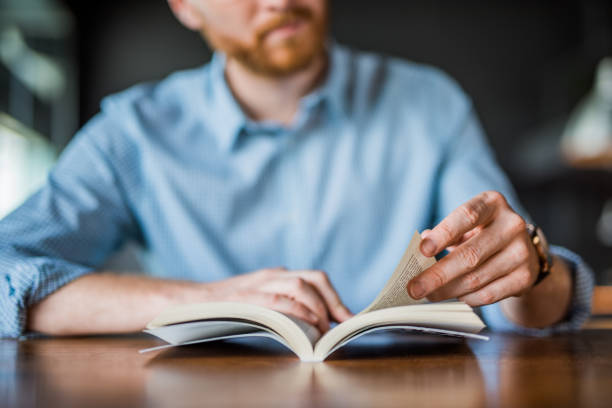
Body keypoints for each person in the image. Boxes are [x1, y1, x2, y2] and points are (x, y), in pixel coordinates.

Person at [0, 0, 593, 338]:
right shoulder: (131, 133)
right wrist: (211, 299)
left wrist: (534, 268)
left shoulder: (429, 105)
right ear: (185, 6)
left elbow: (518, 305)